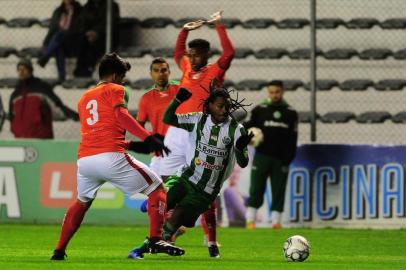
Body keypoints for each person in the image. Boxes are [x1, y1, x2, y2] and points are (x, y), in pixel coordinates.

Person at [50, 53, 184, 260]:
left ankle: (59, 250)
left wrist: (137, 143)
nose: (123, 81)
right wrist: (148, 137)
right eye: (122, 76)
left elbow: (102, 126)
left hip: (85, 160)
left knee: (81, 202)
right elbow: (121, 116)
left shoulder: (84, 97)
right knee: (157, 188)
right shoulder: (116, 89)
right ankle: (156, 239)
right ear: (113, 76)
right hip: (110, 157)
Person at [160, 11, 235, 254]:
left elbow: (229, 53)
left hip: (198, 131)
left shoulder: (215, 72)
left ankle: (210, 239)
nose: (192, 59)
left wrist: (219, 26)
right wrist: (184, 30)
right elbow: (177, 53)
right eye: (191, 55)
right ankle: (162, 235)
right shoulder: (184, 66)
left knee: (202, 185)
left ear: (206, 56)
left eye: (197, 55)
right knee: (164, 185)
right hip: (176, 130)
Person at [160, 88, 253, 258]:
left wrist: (240, 148)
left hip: (207, 189)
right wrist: (177, 101)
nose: (224, 110)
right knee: (162, 201)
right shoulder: (197, 119)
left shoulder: (236, 129)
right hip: (187, 177)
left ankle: (157, 242)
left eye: (227, 106)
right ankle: (157, 240)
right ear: (209, 106)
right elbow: (167, 118)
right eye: (220, 106)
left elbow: (243, 162)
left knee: (179, 215)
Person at [244, 80, 298, 229]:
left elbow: (293, 138)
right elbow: (245, 128)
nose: (274, 95)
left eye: (277, 92)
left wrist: (288, 159)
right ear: (268, 92)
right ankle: (250, 220)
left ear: (282, 92)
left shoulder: (290, 112)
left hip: (281, 159)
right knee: (256, 189)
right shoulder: (259, 110)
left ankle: (276, 222)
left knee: (279, 190)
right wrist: (248, 138)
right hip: (262, 156)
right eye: (272, 92)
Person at [8, 58, 78, 139]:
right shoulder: (15, 94)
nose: (21, 72)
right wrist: (15, 129)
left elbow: (57, 107)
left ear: (30, 71)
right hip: (20, 139)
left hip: (41, 138)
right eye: (19, 69)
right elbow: (12, 117)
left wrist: (76, 116)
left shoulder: (41, 88)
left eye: (24, 69)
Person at [136, 58, 180, 174]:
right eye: (156, 70)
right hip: (159, 153)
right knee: (154, 189)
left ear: (169, 72)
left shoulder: (179, 91)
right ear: (151, 74)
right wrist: (151, 140)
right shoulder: (146, 98)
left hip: (178, 151)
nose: (160, 74)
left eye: (164, 70)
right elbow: (138, 126)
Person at [38, 0, 83, 82]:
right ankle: (61, 76)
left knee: (59, 36)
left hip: (75, 41)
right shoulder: (58, 11)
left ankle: (46, 57)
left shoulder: (80, 10)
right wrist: (45, 43)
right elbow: (52, 29)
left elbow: (80, 28)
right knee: (59, 46)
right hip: (60, 41)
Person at [73, 0, 120, 78]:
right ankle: (81, 69)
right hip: (89, 36)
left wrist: (97, 32)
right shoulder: (87, 7)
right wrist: (88, 32)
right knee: (83, 41)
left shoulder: (112, 6)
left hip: (106, 38)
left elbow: (110, 24)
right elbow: (82, 22)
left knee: (94, 44)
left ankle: (88, 68)